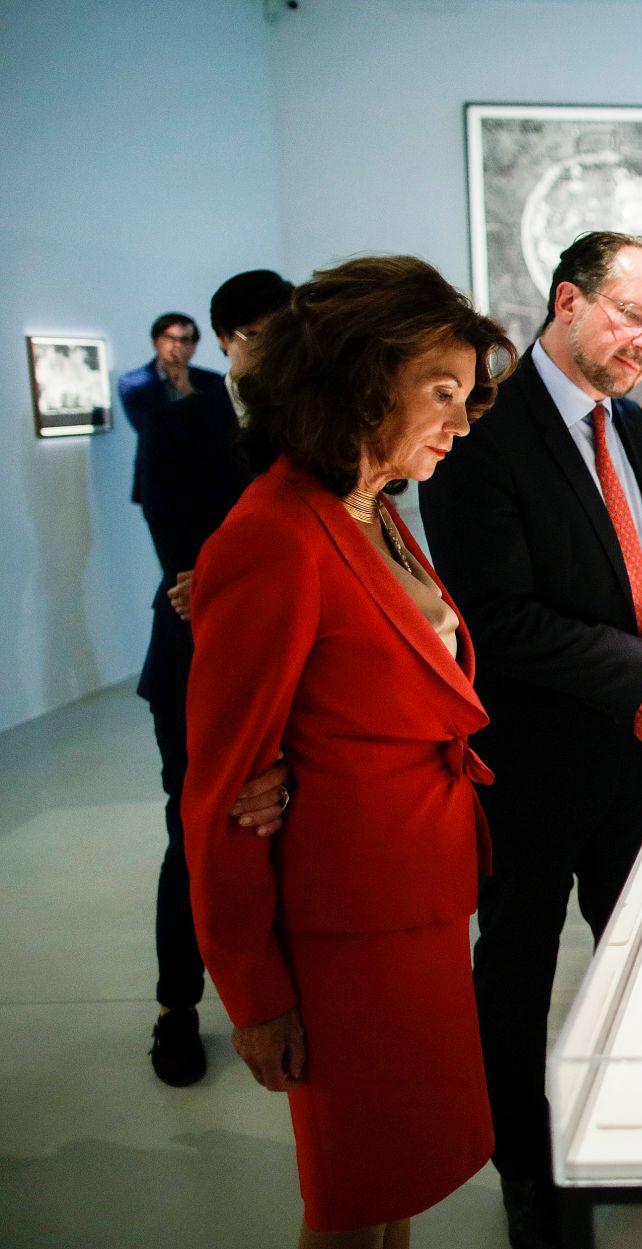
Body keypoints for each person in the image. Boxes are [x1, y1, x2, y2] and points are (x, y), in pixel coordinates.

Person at [181, 256, 516, 1246]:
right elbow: (219, 794)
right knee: (348, 1194)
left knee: (396, 1173)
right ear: (362, 380)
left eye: (466, 394)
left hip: (412, 902)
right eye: (441, 392)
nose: (460, 422)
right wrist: (255, 995)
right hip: (340, 932)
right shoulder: (275, 535)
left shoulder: (373, 509)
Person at [419, 230, 642, 1249]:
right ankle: (528, 1174)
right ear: (567, 302)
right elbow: (494, 618)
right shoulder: (484, 434)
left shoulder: (630, 429)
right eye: (632, 316)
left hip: (634, 756)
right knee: (517, 971)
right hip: (533, 762)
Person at [136, 268, 295, 1086]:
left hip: (287, 658)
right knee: (193, 833)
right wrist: (232, 578)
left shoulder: (301, 425)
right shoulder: (178, 426)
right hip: (191, 662)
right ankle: (176, 1008)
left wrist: (233, 577)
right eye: (265, 333)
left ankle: (277, 993)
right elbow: (183, 571)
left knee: (277, 823)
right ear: (230, 336)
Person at [118, 312, 225, 504]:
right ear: (155, 342)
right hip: (158, 475)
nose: (177, 346)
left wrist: (188, 390)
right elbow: (146, 427)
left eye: (185, 340)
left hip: (207, 475)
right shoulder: (133, 383)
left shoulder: (211, 380)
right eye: (170, 338)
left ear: (194, 346)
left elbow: (219, 425)